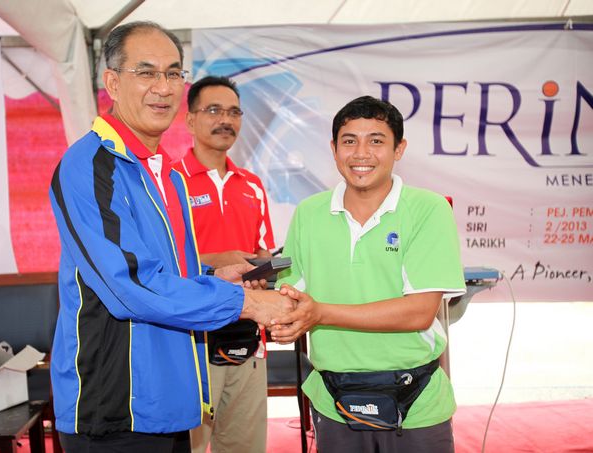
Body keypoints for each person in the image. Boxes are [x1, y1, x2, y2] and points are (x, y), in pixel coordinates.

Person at [48, 21, 293, 453]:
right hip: (114, 408)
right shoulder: (91, 164)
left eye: (173, 73)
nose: (163, 87)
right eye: (146, 72)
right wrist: (249, 304)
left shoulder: (166, 175)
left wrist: (216, 276)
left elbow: (167, 272)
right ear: (112, 83)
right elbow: (130, 285)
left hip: (174, 401)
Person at [270, 95, 466, 452]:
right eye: (349, 141)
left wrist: (320, 313)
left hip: (416, 403)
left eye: (376, 141)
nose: (361, 154)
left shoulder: (429, 209)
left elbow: (419, 312)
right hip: (333, 402)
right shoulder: (309, 213)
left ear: (398, 149)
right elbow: (289, 300)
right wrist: (242, 292)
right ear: (334, 149)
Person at [173, 76, 274, 453]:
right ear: (190, 120)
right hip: (189, 342)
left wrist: (264, 269)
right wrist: (217, 262)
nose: (225, 120)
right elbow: (158, 265)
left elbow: (262, 254)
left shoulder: (252, 186)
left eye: (234, 112)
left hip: (247, 338)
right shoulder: (169, 183)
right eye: (214, 110)